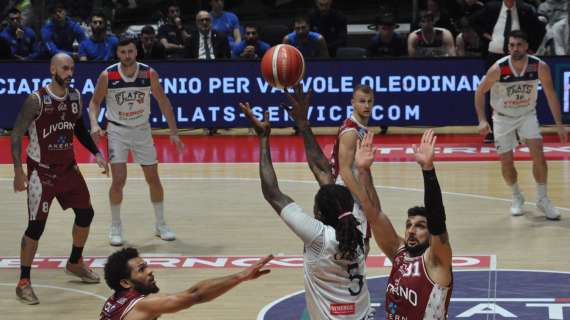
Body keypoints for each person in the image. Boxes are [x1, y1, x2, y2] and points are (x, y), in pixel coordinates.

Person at [240, 99, 373, 319]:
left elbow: (273, 194)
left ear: (319, 215)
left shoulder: (318, 236)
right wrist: (303, 125)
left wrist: (264, 140)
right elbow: (323, 173)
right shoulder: (356, 234)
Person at [11, 52, 109, 304]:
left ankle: (75, 262)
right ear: (52, 69)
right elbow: (15, 135)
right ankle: (23, 282)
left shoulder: (75, 97)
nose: (70, 72)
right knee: (36, 227)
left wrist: (97, 152)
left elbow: (78, 128)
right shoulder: (37, 100)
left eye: (72, 68)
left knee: (86, 213)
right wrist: (18, 171)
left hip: (68, 169)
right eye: (65, 68)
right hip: (41, 172)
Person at [89, 36, 185, 246]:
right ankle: (115, 226)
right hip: (117, 131)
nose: (127, 56)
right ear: (118, 54)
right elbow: (94, 103)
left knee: (153, 178)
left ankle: (161, 224)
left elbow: (164, 101)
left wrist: (174, 132)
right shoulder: (108, 75)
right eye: (123, 52)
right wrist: (94, 124)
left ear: (136, 52)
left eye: (130, 51)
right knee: (119, 180)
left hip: (142, 130)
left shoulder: (148, 73)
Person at [356, 129, 454, 319]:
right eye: (409, 225)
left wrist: (428, 170)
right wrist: (363, 171)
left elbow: (437, 221)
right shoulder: (400, 253)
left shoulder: (437, 261)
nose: (411, 230)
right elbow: (374, 214)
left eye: (420, 226)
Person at [474, 30, 568, 220]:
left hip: (527, 114)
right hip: (502, 117)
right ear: (508, 47)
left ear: (526, 46)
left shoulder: (539, 66)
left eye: (519, 45)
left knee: (539, 155)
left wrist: (559, 124)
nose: (515, 48)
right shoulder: (498, 68)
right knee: (507, 162)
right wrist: (482, 120)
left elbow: (551, 94)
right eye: (511, 45)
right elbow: (479, 92)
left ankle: (543, 199)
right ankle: (517, 196)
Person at [100, 247, 272, 319]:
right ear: (125, 282)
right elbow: (195, 295)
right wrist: (241, 276)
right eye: (141, 270)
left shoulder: (114, 301)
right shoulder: (141, 305)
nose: (150, 271)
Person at [469, 0, 546, 143]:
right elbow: (473, 20)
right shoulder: (492, 7)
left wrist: (531, 49)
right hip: (494, 54)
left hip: (517, 55)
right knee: (491, 91)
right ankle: (491, 131)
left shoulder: (525, 9)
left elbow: (541, 28)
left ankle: (518, 130)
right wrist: (485, 35)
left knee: (516, 92)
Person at [329, 85, 375, 256]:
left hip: (355, 192)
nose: (367, 105)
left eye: (370, 101)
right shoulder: (351, 132)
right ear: (353, 103)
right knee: (356, 249)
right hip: (348, 195)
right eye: (362, 101)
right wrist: (364, 200)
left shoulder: (361, 129)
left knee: (363, 246)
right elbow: (345, 171)